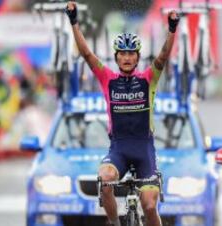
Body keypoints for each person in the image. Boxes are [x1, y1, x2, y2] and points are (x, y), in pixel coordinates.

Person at [65, 2, 179, 226]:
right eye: (122, 54)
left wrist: (172, 30)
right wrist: (74, 22)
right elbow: (87, 54)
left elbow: (163, 57)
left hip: (144, 150)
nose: (127, 58)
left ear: (137, 58)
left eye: (131, 54)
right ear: (116, 58)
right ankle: (115, 222)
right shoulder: (108, 79)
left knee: (148, 205)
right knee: (105, 180)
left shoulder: (148, 79)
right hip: (119, 148)